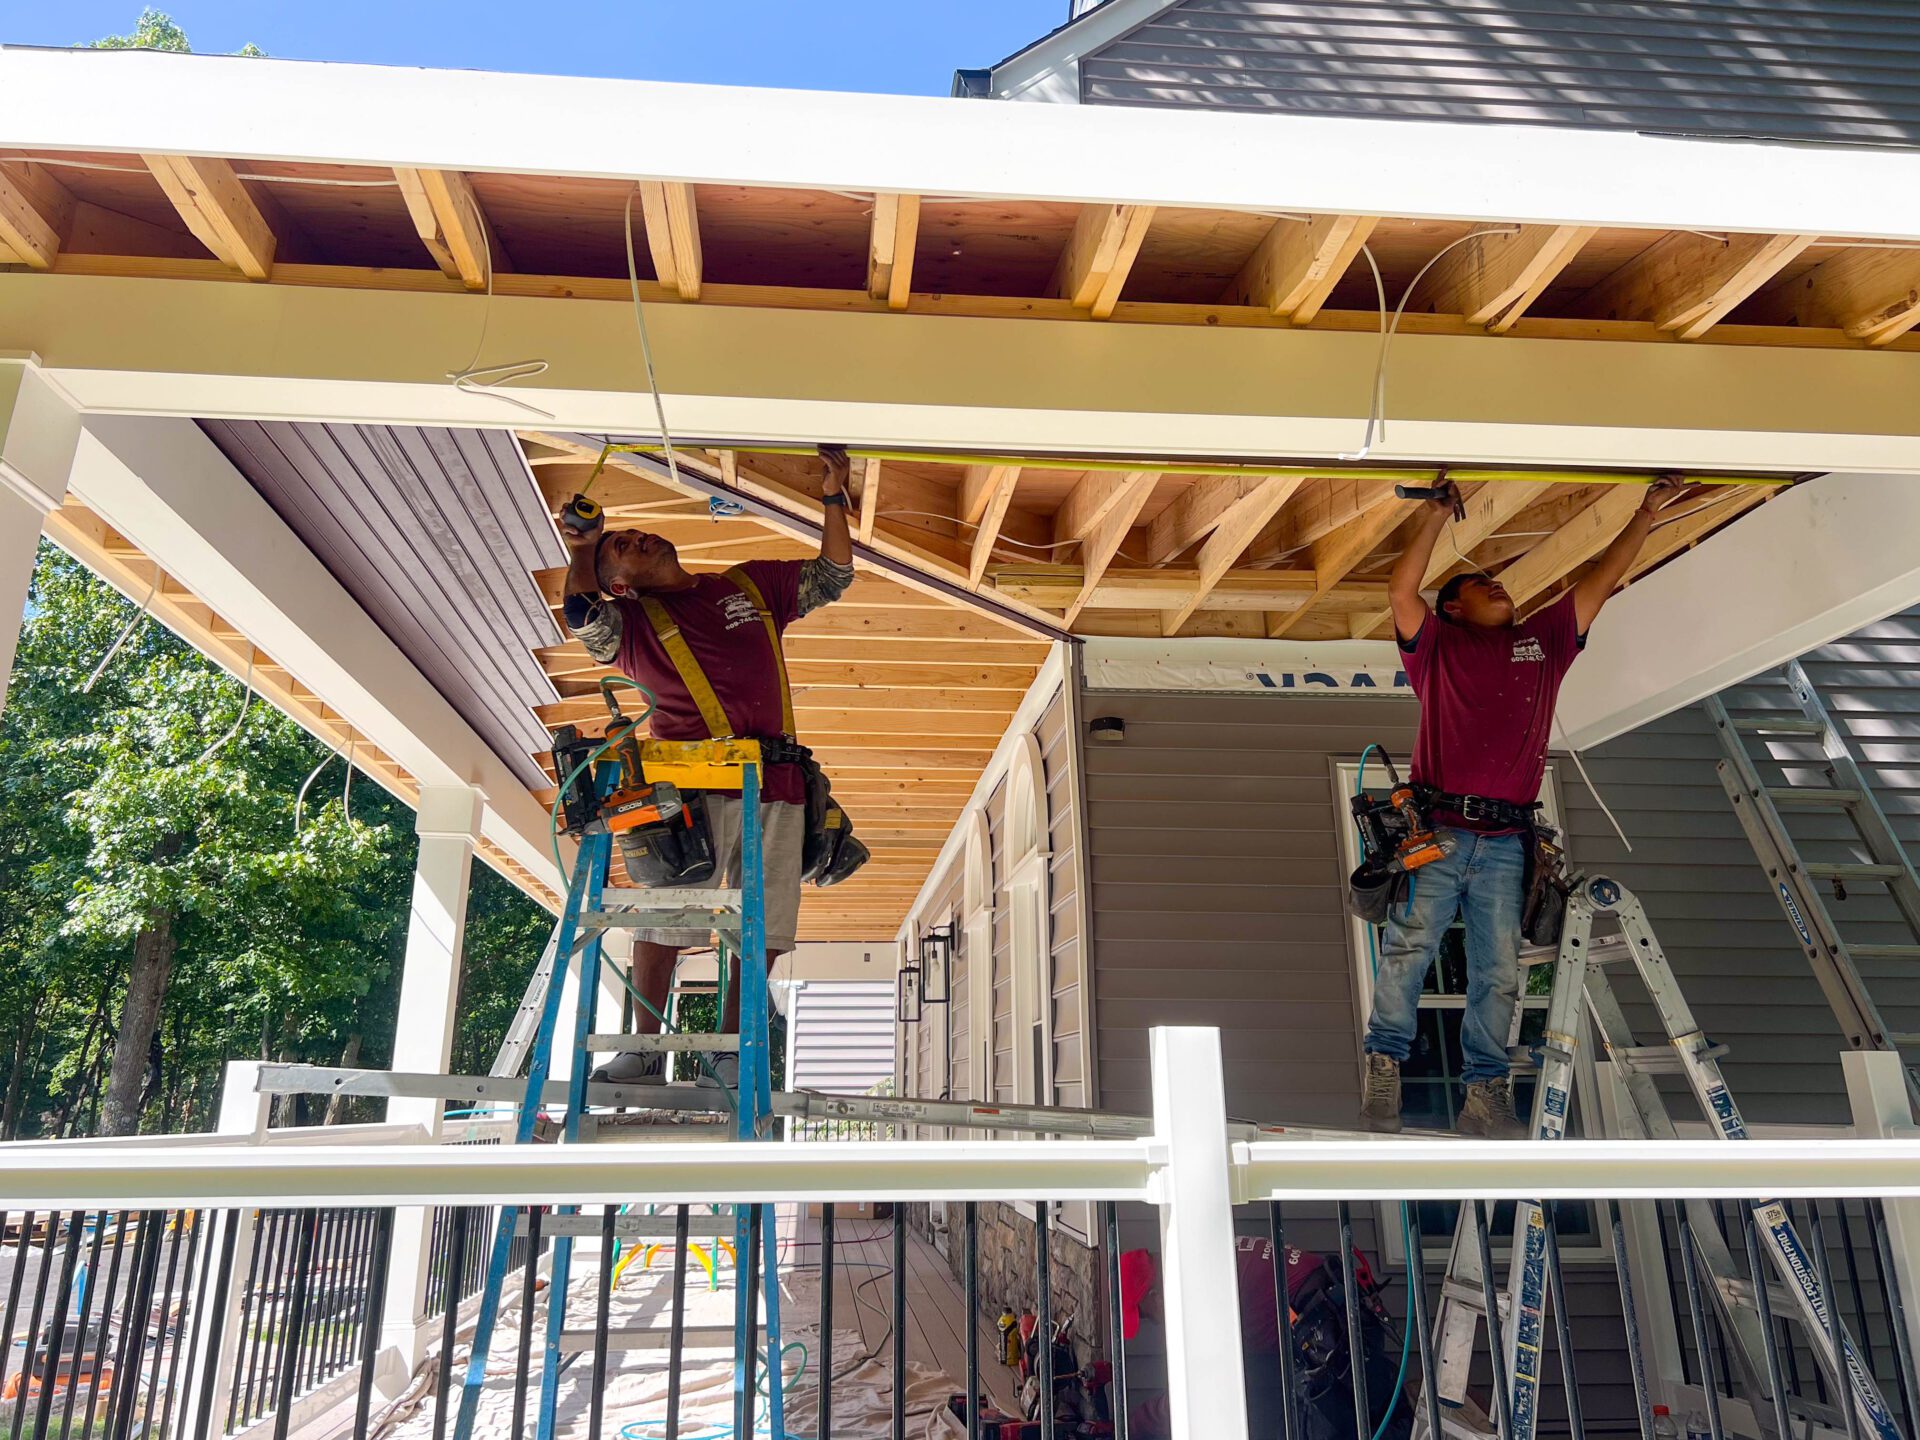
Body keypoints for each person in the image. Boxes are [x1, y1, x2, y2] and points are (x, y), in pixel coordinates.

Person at [1360, 476, 1695, 1137]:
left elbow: (1601, 580)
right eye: (1482, 585)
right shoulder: (1437, 649)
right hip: (1441, 833)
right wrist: (1432, 515)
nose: (1500, 586)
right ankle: (1385, 1071)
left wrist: (1648, 512)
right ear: (1451, 609)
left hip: (1508, 841)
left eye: (1501, 583)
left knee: (1498, 972)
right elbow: (1401, 591)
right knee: (1410, 951)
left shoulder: (1543, 643)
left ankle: (1485, 1096)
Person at [560, 445, 856, 1089]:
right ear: (619, 585)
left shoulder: (748, 585)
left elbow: (832, 577)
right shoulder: (634, 624)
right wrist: (582, 550)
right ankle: (643, 1053)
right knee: (667, 912)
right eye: (622, 548)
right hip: (685, 792)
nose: (636, 538)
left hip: (774, 782)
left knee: (766, 920)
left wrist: (834, 495)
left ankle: (726, 1050)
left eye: (635, 533)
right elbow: (583, 619)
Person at [1119, 1242, 1409, 1440]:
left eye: (1145, 1315)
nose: (1155, 1323)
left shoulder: (1195, 1288)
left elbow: (1202, 1390)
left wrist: (1132, 1426)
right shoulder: (1199, 1251)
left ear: (1155, 1296)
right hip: (1333, 1317)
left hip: (1329, 1336)